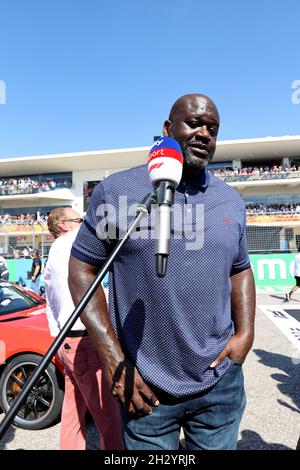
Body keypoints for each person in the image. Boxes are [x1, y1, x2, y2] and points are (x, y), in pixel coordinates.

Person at [69, 93, 256, 450]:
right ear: (168, 129)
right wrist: (111, 355)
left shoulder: (230, 200)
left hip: (219, 383)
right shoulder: (117, 192)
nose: (204, 134)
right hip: (145, 387)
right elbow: (82, 269)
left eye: (212, 129)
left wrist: (245, 332)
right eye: (195, 124)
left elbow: (240, 268)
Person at [44, 207, 123, 450]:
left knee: (72, 411)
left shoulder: (54, 252)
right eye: (79, 220)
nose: (84, 223)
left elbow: (53, 303)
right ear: (63, 226)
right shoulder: (73, 245)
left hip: (66, 340)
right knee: (107, 414)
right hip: (85, 338)